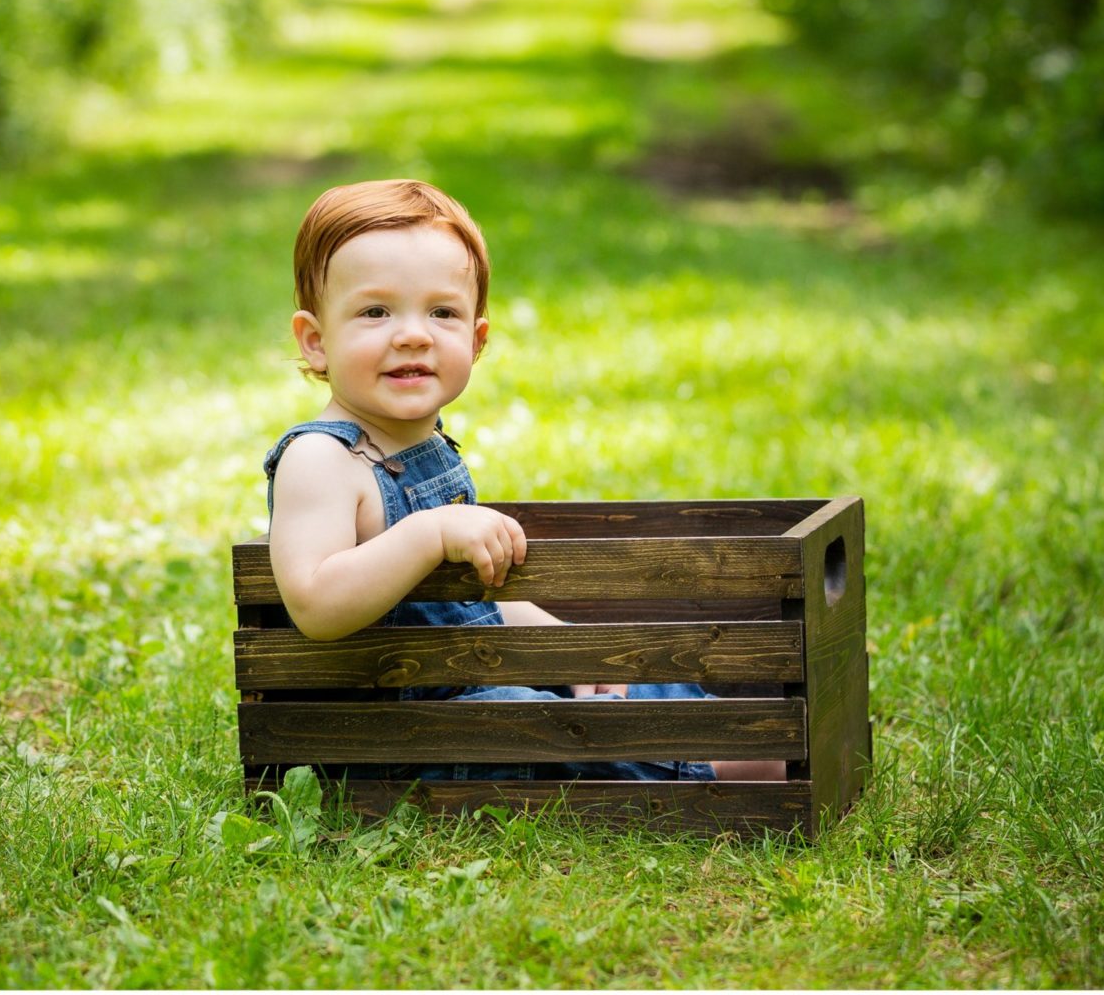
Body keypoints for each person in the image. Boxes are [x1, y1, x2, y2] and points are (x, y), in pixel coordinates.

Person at [263, 177, 784, 782]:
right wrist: (430, 532)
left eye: (443, 312)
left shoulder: (424, 447)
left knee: (625, 671)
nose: (413, 332)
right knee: (536, 722)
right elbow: (315, 604)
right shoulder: (321, 460)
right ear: (316, 341)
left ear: (476, 341)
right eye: (376, 311)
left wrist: (571, 652)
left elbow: (467, 614)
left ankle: (705, 730)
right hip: (412, 733)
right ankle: (701, 761)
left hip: (471, 686)